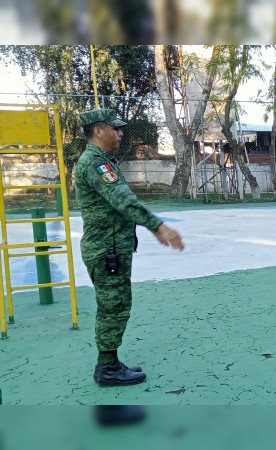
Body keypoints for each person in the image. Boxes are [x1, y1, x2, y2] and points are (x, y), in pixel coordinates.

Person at [75, 109, 185, 387]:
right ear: (99, 130)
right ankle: (107, 368)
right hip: (106, 251)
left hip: (110, 249)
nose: (121, 133)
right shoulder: (96, 164)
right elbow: (123, 200)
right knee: (113, 308)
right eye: (116, 128)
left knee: (115, 306)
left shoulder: (102, 161)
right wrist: (158, 226)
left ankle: (110, 363)